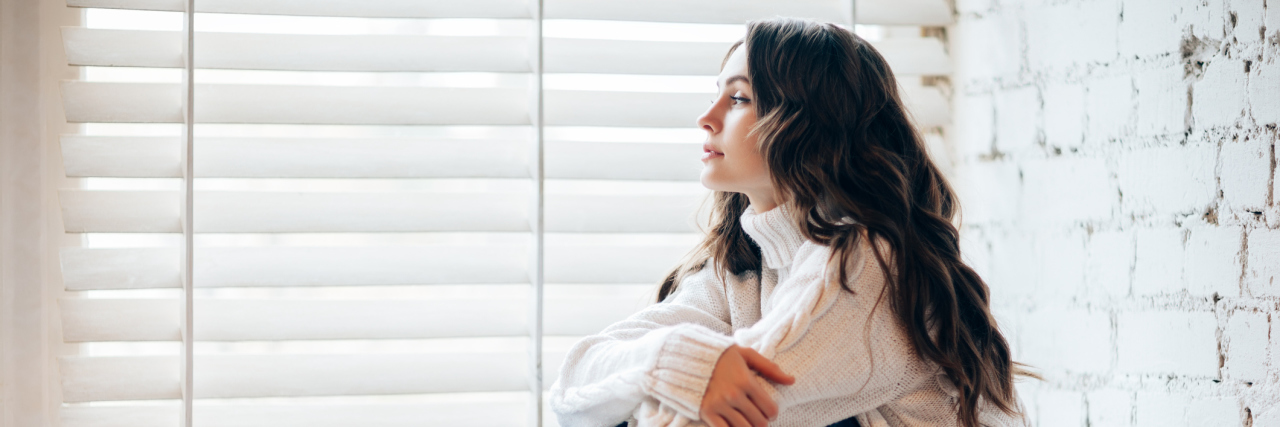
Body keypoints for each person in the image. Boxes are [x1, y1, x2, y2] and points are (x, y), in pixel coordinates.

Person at [548, 17, 1031, 427]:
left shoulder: (868, 263)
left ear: (809, 123)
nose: (706, 118)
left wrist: (671, 379)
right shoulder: (742, 271)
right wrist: (665, 356)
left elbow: (706, 414)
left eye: (738, 99)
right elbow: (572, 387)